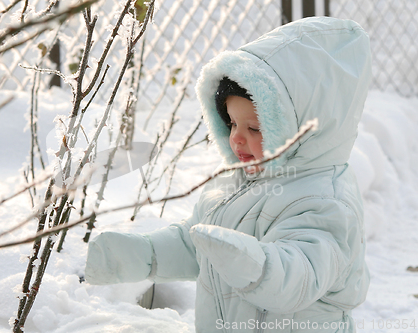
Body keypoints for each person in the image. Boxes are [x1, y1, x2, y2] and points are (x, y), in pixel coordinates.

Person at [85, 16, 371, 333]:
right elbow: (197, 244)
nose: (235, 137)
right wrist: (143, 254)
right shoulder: (234, 185)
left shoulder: (324, 201)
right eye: (232, 123)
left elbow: (301, 274)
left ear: (302, 132)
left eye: (255, 128)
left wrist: (257, 267)